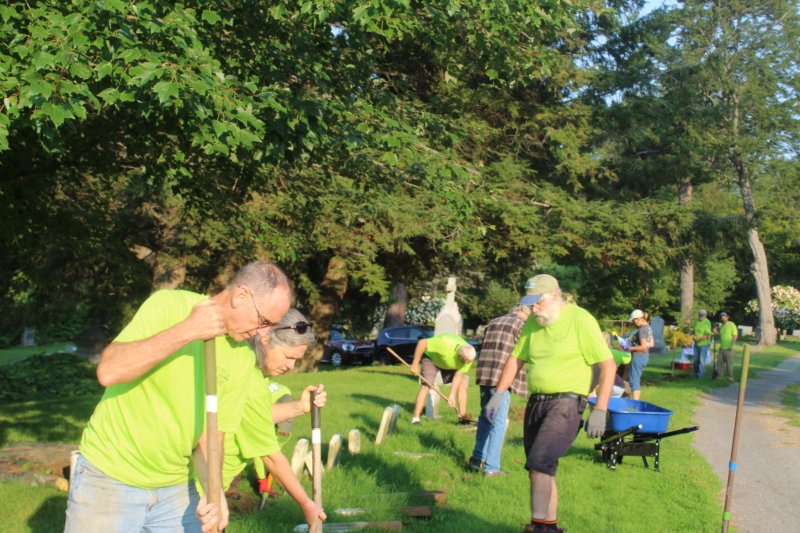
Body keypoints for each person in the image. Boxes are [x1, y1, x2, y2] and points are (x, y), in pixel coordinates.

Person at [65, 260, 292, 533]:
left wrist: (214, 492)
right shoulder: (170, 305)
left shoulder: (243, 357)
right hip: (110, 478)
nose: (263, 332)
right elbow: (109, 371)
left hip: (177, 489)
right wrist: (187, 330)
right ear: (241, 296)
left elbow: (212, 434)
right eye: (264, 320)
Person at [488, 274, 615, 533]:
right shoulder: (533, 324)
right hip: (537, 402)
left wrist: (599, 409)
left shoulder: (580, 320)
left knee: (538, 463)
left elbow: (608, 365)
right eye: (530, 304)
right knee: (543, 468)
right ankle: (550, 525)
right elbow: (516, 359)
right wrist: (498, 394)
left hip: (566, 403)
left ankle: (537, 527)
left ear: (555, 296)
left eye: (539, 303)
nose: (534, 309)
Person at [196, 309, 327, 530]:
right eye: (288, 357)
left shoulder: (246, 368)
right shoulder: (250, 381)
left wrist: (299, 407)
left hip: (203, 488)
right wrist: (306, 504)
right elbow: (270, 456)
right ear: (265, 339)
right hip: (200, 493)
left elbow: (253, 417)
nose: (291, 366)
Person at [469, 304, 531, 477]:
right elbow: (524, 351)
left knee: (485, 417)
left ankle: (477, 459)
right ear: (526, 314)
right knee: (499, 422)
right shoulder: (522, 325)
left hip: (485, 374)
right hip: (502, 377)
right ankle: (492, 468)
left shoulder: (494, 321)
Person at [409, 333, 477, 424]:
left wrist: (452, 396)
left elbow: (458, 376)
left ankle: (463, 418)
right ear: (459, 355)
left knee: (462, 384)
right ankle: (415, 419)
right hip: (432, 359)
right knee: (426, 385)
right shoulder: (445, 343)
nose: (466, 363)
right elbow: (422, 342)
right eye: (464, 361)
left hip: (449, 364)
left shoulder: (468, 358)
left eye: (468, 362)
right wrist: (415, 363)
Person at [626, 309, 652, 400]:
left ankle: (635, 403)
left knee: (634, 381)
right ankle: (633, 399)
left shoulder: (642, 330)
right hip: (645, 357)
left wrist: (629, 348)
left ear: (639, 319)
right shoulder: (648, 327)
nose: (634, 323)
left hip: (639, 356)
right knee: (635, 379)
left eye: (634, 321)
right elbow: (651, 344)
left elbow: (643, 346)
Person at [714, 312, 738, 380]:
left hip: (729, 348)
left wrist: (731, 345)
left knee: (729, 363)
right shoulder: (721, 326)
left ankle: (730, 377)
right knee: (720, 362)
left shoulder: (731, 324)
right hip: (722, 348)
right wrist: (716, 332)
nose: (723, 318)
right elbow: (721, 335)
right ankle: (720, 376)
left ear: (727, 317)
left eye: (724, 316)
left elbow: (735, 335)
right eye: (722, 317)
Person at [693, 309, 713, 378]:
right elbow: (694, 330)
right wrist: (689, 334)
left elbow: (708, 335)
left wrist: (699, 339)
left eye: (702, 316)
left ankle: (701, 375)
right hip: (696, 344)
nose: (700, 317)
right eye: (700, 315)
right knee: (696, 361)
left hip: (704, 344)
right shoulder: (696, 321)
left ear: (705, 315)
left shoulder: (707, 322)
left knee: (702, 361)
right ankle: (696, 373)